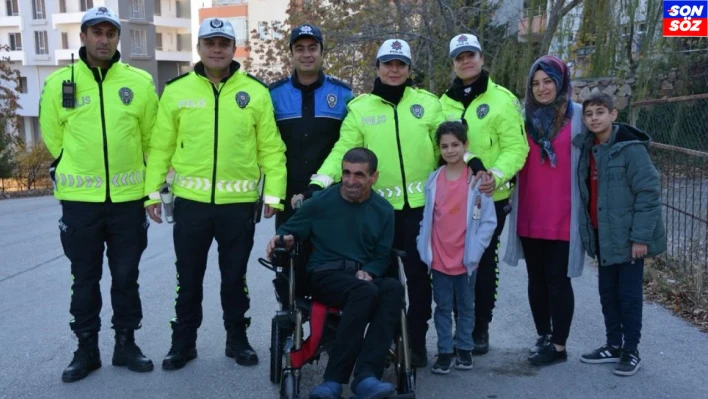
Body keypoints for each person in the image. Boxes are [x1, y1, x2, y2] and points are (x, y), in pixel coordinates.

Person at [144, 18, 287, 371]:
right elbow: (159, 147)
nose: (217, 49)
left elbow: (270, 148)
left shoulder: (254, 92)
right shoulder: (176, 90)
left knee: (234, 278)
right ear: (199, 48)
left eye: (224, 42)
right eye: (210, 43)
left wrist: (274, 195)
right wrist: (150, 194)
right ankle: (183, 343)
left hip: (237, 207)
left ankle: (237, 340)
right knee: (188, 279)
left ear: (233, 47)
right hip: (191, 205)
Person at [39, 6, 158, 383]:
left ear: (118, 38)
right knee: (84, 278)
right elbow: (51, 135)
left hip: (127, 200)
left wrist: (150, 189)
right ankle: (86, 349)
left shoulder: (138, 82)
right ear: (83, 37)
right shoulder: (60, 82)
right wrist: (70, 162)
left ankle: (126, 343)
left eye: (110, 33)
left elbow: (151, 139)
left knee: (126, 276)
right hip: (80, 204)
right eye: (96, 32)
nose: (103, 39)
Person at [309, 39, 444, 367]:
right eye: (388, 64)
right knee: (380, 282)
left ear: (410, 69)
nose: (394, 70)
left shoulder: (429, 104)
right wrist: (321, 180)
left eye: (400, 64)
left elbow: (448, 147)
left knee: (418, 279)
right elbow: (344, 150)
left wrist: (471, 172)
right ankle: (380, 342)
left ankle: (414, 341)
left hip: (421, 212)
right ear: (379, 68)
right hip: (376, 213)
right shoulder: (361, 108)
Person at [268, 148, 402, 399]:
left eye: (359, 175)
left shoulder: (383, 210)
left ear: (374, 177)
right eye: (346, 173)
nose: (351, 181)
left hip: (363, 278)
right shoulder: (321, 202)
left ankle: (366, 376)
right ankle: (333, 380)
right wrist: (283, 238)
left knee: (393, 289)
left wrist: (370, 271)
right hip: (325, 275)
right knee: (366, 292)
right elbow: (290, 229)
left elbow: (382, 255)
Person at [440, 34, 529, 355]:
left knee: (481, 260)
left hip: (491, 197)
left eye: (471, 55)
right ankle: (457, 323)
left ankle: (480, 327)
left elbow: (516, 147)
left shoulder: (503, 99)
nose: (466, 61)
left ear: (481, 57)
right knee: (453, 263)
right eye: (459, 57)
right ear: (453, 63)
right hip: (453, 198)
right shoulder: (443, 103)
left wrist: (497, 174)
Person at [503, 55, 585, 366]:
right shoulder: (522, 118)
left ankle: (560, 347)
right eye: (536, 83)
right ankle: (544, 336)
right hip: (530, 211)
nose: (542, 88)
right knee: (536, 278)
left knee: (557, 279)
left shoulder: (577, 117)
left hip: (565, 213)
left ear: (561, 82)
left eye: (548, 81)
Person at [575, 93, 666, 376]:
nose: (594, 118)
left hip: (628, 239)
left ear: (614, 115)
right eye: (589, 114)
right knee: (607, 293)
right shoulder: (588, 150)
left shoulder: (631, 149)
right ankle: (613, 345)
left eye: (600, 112)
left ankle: (631, 351)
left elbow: (648, 193)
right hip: (604, 236)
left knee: (628, 296)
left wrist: (640, 237)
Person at [416, 121, 497, 374]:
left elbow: (488, 221)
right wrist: (423, 245)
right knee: (441, 307)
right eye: (444, 146)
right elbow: (427, 217)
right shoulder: (433, 180)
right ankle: (444, 351)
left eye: (455, 145)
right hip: (439, 258)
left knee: (465, 306)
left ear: (465, 145)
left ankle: (464, 348)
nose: (450, 150)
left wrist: (476, 250)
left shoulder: (476, 181)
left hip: (465, 259)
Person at [269, 23, 353, 228]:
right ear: (291, 53)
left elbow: (351, 142)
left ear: (322, 52)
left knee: (330, 256)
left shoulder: (343, 94)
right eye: (299, 48)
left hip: (331, 193)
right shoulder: (274, 94)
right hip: (289, 194)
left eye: (312, 48)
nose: (306, 54)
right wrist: (271, 194)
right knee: (288, 253)